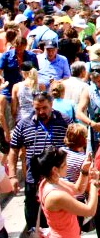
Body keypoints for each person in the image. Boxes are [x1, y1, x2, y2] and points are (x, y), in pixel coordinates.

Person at [8, 91, 69, 228]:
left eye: (44, 108)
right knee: (33, 215)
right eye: (37, 108)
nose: (41, 112)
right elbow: (14, 150)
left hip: (58, 179)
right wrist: (12, 176)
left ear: (51, 104)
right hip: (34, 179)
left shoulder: (64, 121)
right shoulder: (24, 124)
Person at [32, 147, 99, 238]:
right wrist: (95, 183)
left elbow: (78, 189)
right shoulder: (56, 196)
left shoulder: (52, 181)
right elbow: (90, 210)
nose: (67, 166)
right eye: (64, 164)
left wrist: (84, 171)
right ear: (54, 169)